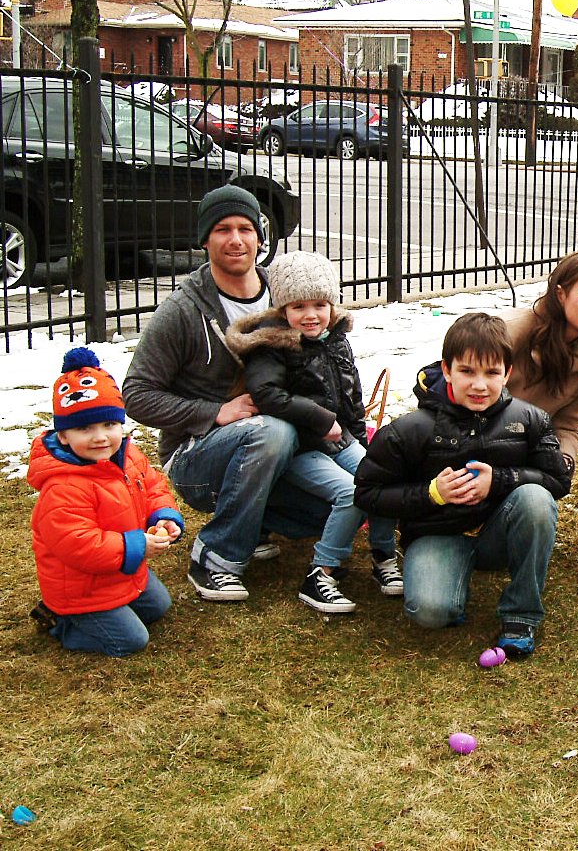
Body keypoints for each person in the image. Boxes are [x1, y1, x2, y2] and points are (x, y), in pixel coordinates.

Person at [123, 184, 329, 603]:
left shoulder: (284, 296)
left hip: (285, 440)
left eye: (245, 229)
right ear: (205, 239)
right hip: (198, 455)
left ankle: (254, 527)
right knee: (270, 431)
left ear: (260, 237)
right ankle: (215, 557)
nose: (236, 240)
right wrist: (215, 411)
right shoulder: (183, 310)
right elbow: (136, 394)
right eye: (222, 229)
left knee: (339, 502)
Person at [354, 313, 571, 657]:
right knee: (430, 612)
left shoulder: (530, 420)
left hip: (499, 535)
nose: (479, 385)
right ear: (446, 370)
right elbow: (368, 493)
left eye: (492, 373)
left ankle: (521, 614)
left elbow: (558, 480)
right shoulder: (408, 430)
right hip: (437, 534)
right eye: (467, 371)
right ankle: (448, 585)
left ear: (507, 373)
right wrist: (431, 493)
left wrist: (499, 481)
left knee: (535, 498)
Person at [225, 251, 403, 615]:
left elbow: (351, 397)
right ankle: (321, 573)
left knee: (381, 478)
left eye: (320, 304)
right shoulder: (272, 345)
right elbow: (267, 394)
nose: (311, 315)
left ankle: (384, 556)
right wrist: (319, 419)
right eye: (299, 306)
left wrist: (362, 444)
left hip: (340, 441)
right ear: (282, 309)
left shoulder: (335, 339)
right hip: (299, 447)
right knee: (350, 493)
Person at [27, 348, 186, 656]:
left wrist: (163, 516)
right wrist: (137, 545)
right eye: (84, 428)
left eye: (109, 425)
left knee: (158, 606)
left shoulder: (128, 456)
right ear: (63, 436)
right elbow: (79, 544)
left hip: (121, 570)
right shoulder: (62, 486)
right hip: (81, 587)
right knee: (130, 641)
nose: (100, 437)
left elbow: (153, 486)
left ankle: (114, 607)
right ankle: (60, 621)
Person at [502, 252, 578, 475]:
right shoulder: (509, 332)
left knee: (535, 495)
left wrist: (563, 460)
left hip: (524, 461)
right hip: (471, 448)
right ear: (561, 294)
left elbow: (568, 424)